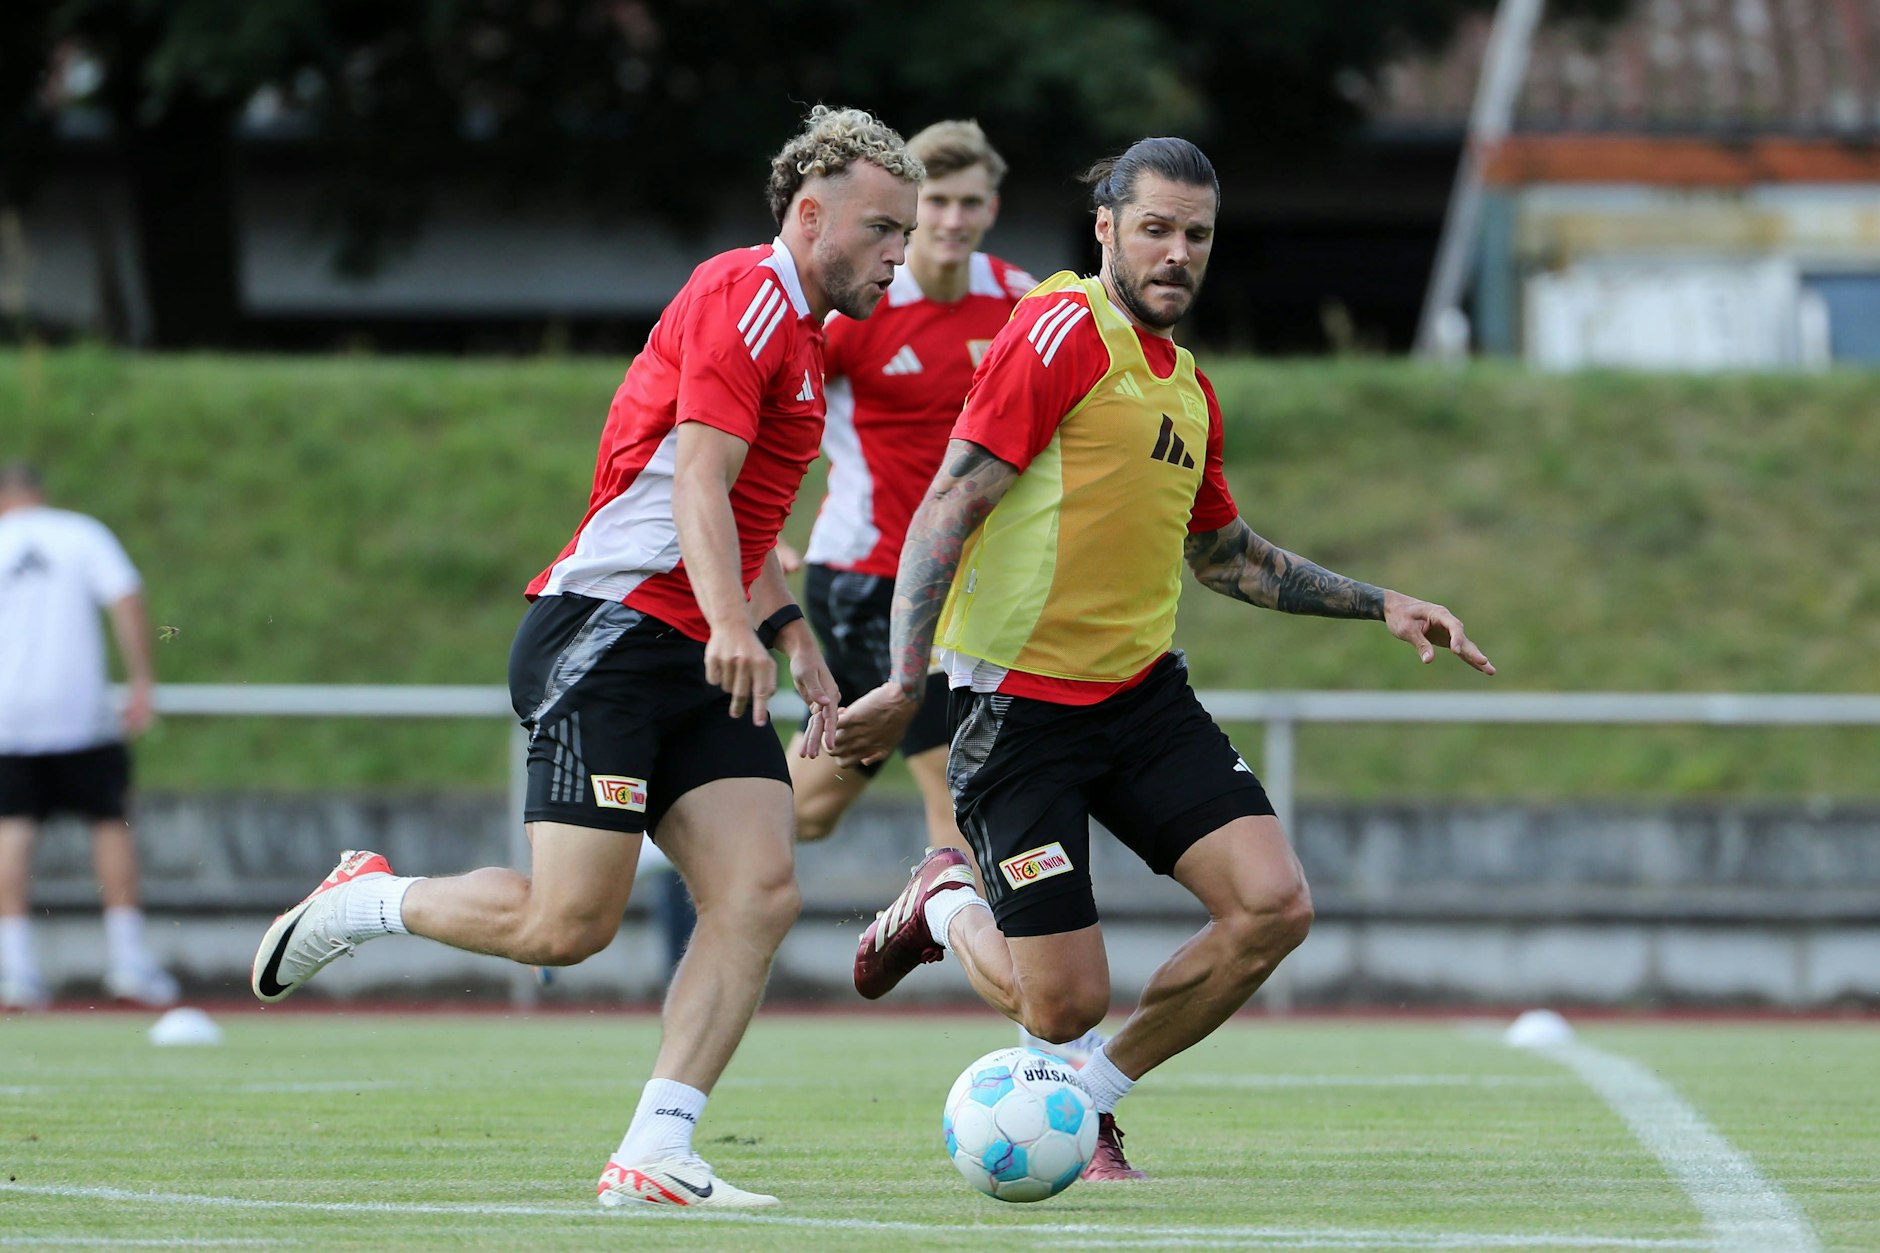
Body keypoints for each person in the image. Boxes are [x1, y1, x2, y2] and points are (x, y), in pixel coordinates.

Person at [249, 106, 923, 1211]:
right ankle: (367, 898)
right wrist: (726, 625)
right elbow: (694, 482)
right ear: (811, 217)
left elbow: (735, 518)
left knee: (757, 890)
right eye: (882, 226)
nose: (900, 250)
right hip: (606, 635)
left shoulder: (805, 335)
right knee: (569, 925)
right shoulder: (740, 294)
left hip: (702, 639)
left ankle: (655, 1150)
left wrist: (787, 628)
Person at [834, 137, 1495, 1182]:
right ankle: (942, 900)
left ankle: (1087, 1101)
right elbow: (948, 502)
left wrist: (1384, 604)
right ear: (1104, 227)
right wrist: (906, 678)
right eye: (1154, 229)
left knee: (1274, 907)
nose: (1176, 253)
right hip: (1018, 709)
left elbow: (1224, 557)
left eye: (1195, 235)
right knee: (1061, 1001)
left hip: (1139, 698)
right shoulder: (1057, 327)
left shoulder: (1186, 388)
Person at [788, 119, 1034, 866]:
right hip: (868, 578)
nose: (954, 220)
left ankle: (693, 832)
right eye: (939, 202)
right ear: (911, 207)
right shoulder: (861, 305)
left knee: (814, 806)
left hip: (968, 586)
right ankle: (1004, 973)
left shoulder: (1020, 301)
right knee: (961, 779)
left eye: (971, 202)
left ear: (992, 206)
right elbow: (767, 408)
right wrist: (758, 528)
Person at [0, 460, 178, 1011]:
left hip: (6, 713)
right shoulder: (81, 532)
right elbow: (127, 599)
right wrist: (142, 680)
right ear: (40, 491)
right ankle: (128, 961)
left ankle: (17, 970)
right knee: (108, 824)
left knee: (12, 828)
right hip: (79, 708)